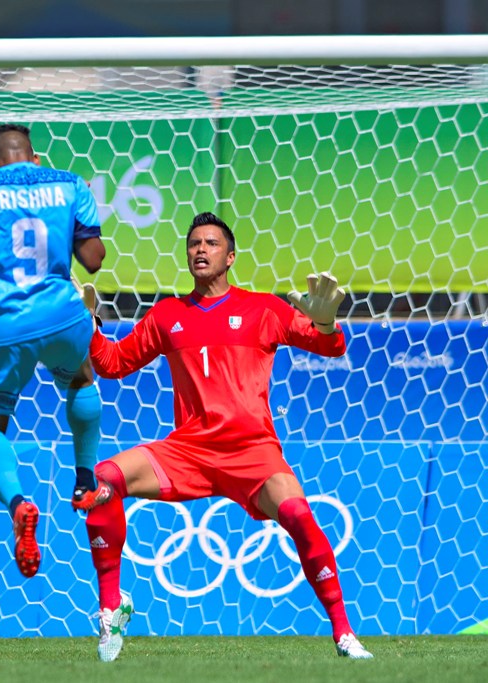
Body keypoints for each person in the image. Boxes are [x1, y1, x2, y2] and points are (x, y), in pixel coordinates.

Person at [72, 212, 374, 662]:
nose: (200, 249)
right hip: (188, 451)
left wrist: (327, 324)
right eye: (194, 243)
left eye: (211, 243)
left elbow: (330, 347)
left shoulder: (264, 309)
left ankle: (345, 635)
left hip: (253, 451)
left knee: (299, 516)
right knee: (102, 481)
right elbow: (113, 364)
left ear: (230, 257)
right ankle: (111, 609)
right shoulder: (167, 314)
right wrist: (88, 325)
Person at [0, 123, 106, 579]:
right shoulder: (69, 184)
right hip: (61, 315)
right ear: (35, 156)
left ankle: (19, 504)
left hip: (1, 324)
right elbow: (93, 259)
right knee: (82, 378)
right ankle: (85, 481)